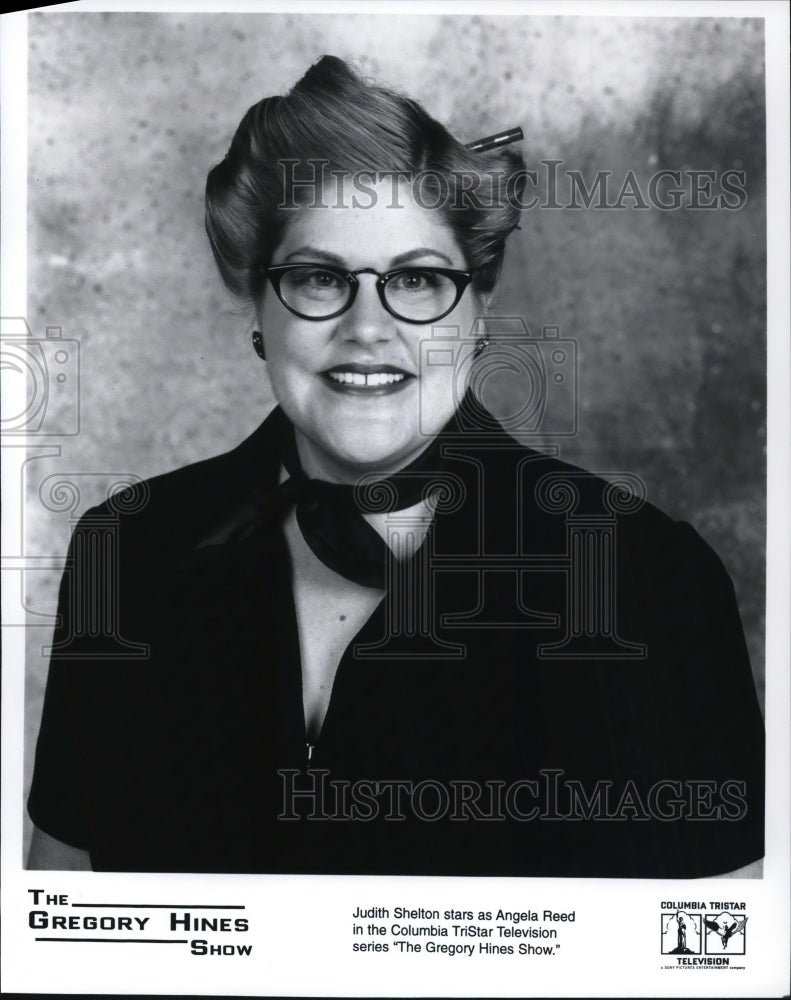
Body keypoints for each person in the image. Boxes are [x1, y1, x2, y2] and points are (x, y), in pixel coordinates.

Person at [27, 55, 764, 877]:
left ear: (479, 311)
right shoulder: (127, 550)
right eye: (317, 278)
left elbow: (715, 950)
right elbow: (62, 910)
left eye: (416, 280)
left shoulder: (651, 579)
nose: (367, 329)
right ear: (258, 310)